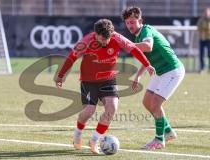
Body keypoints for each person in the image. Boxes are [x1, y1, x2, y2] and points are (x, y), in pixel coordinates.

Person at [55, 19, 155, 154]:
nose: (105, 42)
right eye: (102, 39)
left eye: (107, 39)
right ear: (95, 34)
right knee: (89, 112)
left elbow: (135, 49)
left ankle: (94, 140)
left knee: (112, 108)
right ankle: (78, 134)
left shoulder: (117, 38)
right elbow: (72, 57)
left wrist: (147, 64)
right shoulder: (86, 41)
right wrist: (61, 75)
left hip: (109, 79)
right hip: (88, 81)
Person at [121, 7, 185, 150]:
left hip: (172, 70)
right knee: (147, 102)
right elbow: (146, 58)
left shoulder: (146, 30)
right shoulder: (138, 37)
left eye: (132, 22)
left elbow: (148, 47)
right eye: (127, 23)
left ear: (140, 21)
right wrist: (138, 76)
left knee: (155, 104)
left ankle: (159, 140)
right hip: (160, 72)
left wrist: (128, 45)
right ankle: (168, 131)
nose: (130, 25)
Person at [197, 7, 210, 73]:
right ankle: (202, 68)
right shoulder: (201, 19)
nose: (206, 13)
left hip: (209, 39)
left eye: (207, 12)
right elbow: (198, 27)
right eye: (205, 12)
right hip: (202, 39)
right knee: (201, 55)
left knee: (209, 54)